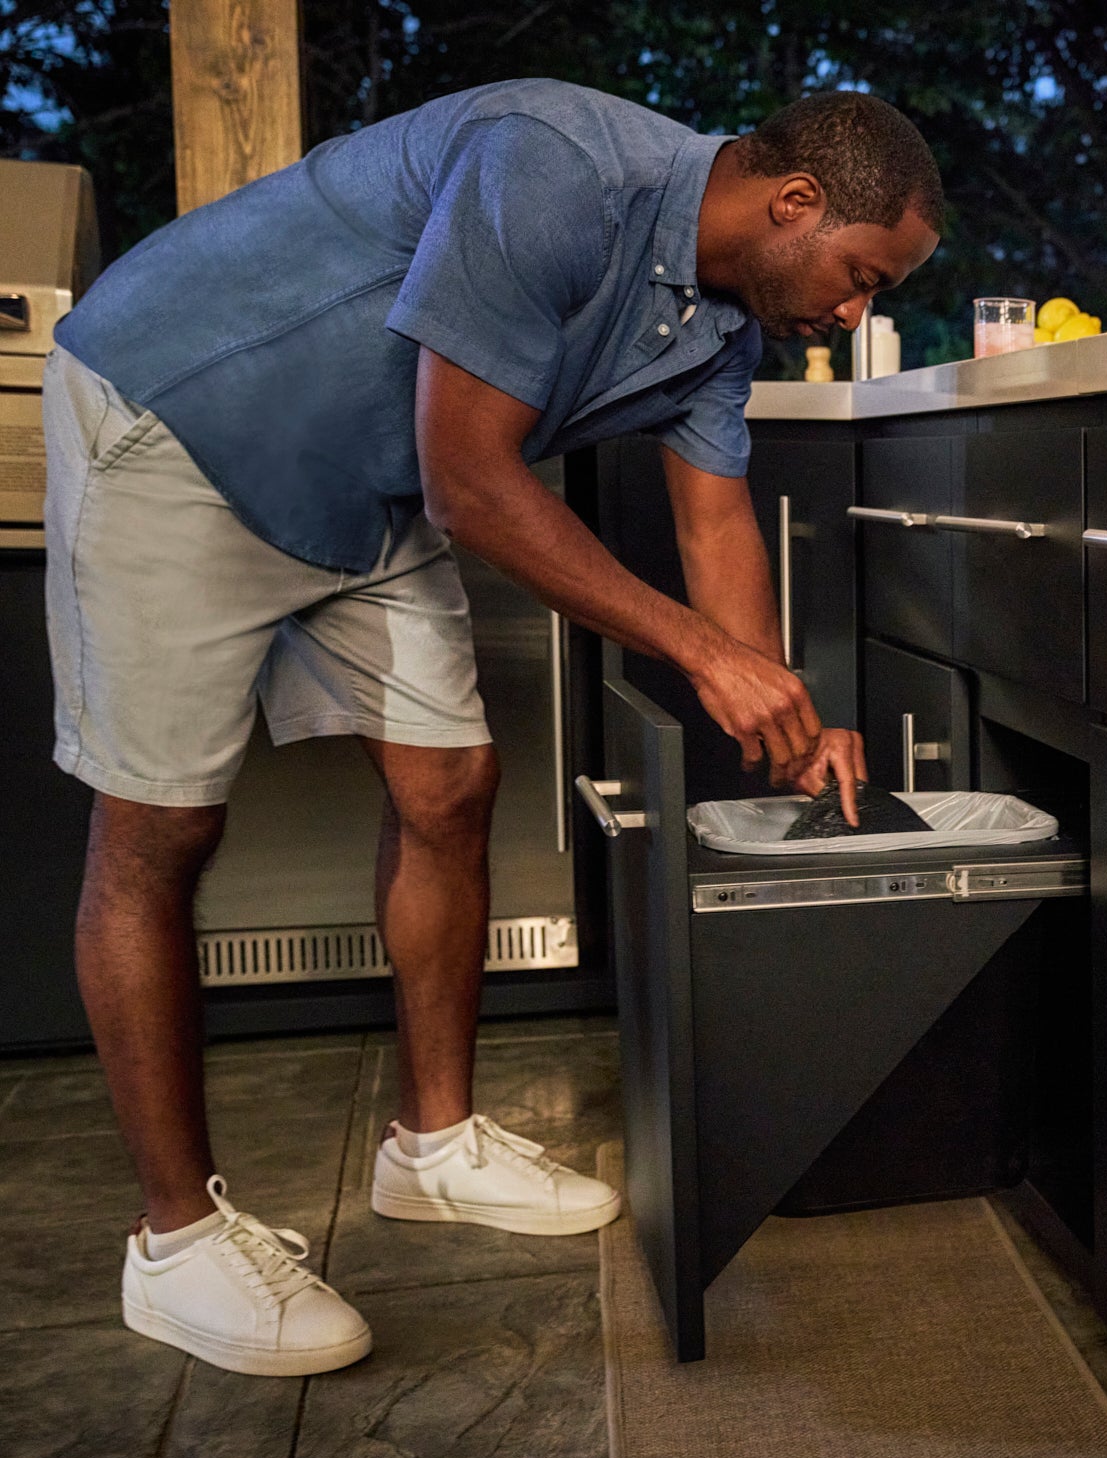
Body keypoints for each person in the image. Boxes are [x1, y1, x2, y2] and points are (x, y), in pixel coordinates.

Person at [41, 82, 943, 1377]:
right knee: (161, 828)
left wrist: (783, 706)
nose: (857, 314)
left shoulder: (722, 332)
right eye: (861, 275)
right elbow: (474, 481)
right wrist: (700, 654)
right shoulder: (559, 168)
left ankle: (435, 1146)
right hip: (183, 422)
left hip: (372, 482)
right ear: (793, 204)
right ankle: (174, 1244)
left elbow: (715, 524)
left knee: (454, 785)